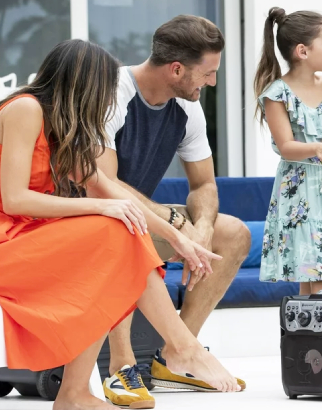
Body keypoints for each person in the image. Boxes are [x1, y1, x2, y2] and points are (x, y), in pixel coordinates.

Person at [0, 39, 241, 410]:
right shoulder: (25, 109)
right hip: (9, 238)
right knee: (111, 228)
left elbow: (110, 189)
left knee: (119, 232)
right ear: (80, 84)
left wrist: (180, 239)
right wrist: (101, 207)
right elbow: (14, 199)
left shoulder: (64, 125)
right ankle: (177, 349)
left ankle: (77, 394)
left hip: (30, 234)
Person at [95, 15, 250, 406]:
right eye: (209, 73)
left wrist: (200, 227)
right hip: (96, 218)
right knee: (127, 230)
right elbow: (106, 184)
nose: (212, 82)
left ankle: (175, 356)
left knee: (232, 233)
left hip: (143, 218)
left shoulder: (187, 105)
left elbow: (204, 185)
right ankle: (122, 367)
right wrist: (176, 225)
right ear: (176, 69)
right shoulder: (112, 92)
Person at [253, 7, 322, 294]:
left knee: (317, 274)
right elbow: (287, 147)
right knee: (317, 272)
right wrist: (318, 147)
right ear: (302, 51)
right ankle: (321, 334)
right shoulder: (277, 94)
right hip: (297, 193)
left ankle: (310, 336)